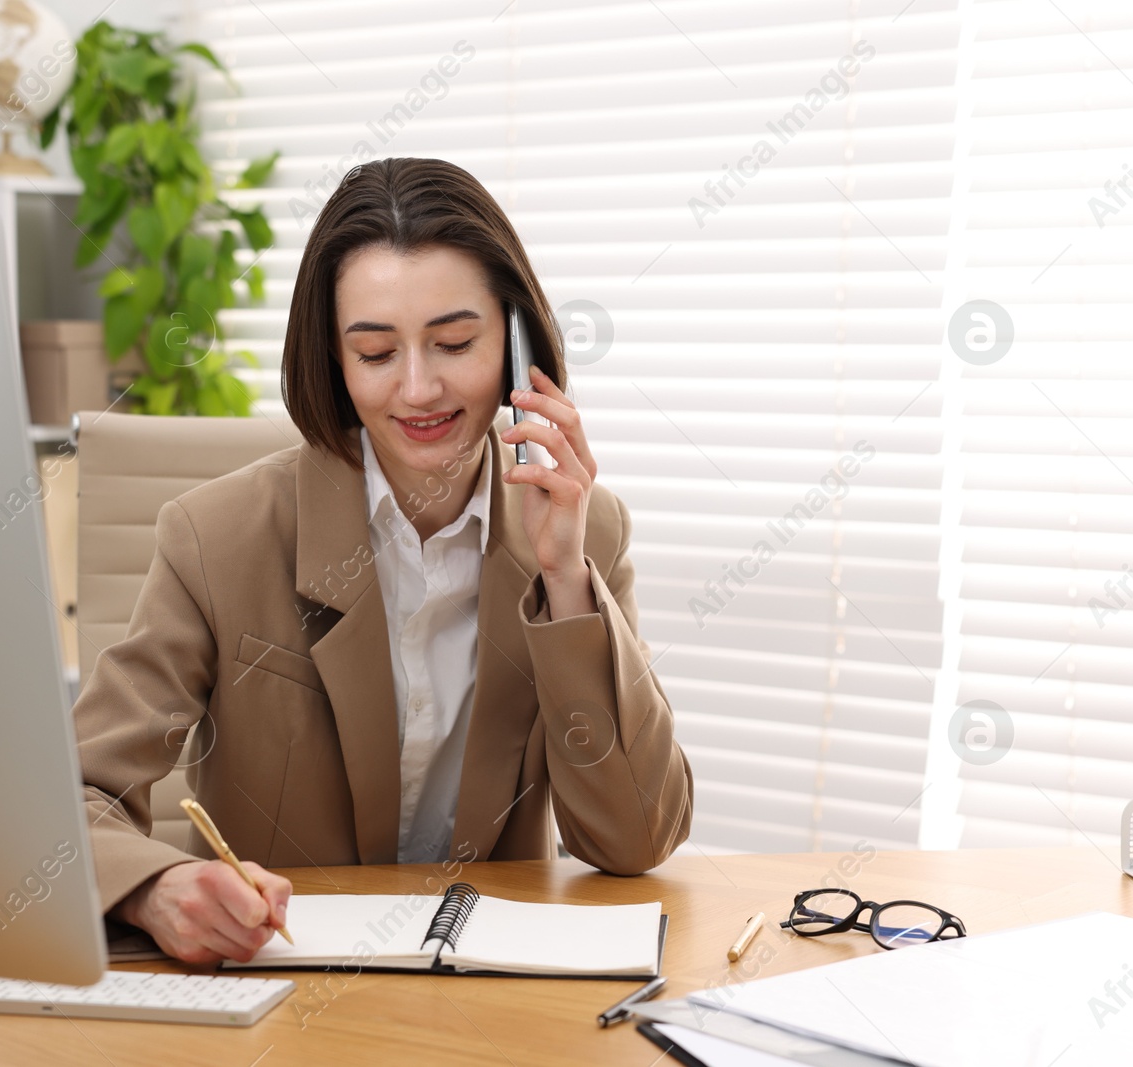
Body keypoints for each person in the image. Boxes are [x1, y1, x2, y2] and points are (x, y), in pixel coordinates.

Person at [72, 157, 693, 965]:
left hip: (490, 996)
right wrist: (153, 888)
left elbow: (636, 836)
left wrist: (565, 580)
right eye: (374, 353)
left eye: (456, 342)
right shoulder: (217, 536)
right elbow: (73, 796)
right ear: (333, 358)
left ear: (517, 342)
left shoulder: (586, 530)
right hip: (285, 992)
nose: (419, 388)